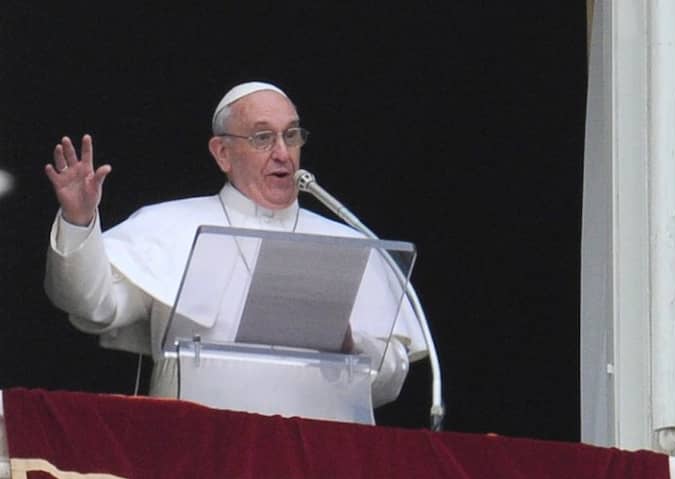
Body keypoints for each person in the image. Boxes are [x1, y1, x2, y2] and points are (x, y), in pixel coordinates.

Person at [43, 82, 426, 416]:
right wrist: (79, 220)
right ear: (222, 153)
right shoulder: (169, 225)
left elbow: (391, 380)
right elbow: (93, 306)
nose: (283, 153)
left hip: (318, 459)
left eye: (291, 136)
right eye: (263, 138)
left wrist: (349, 346)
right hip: (197, 455)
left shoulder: (350, 243)